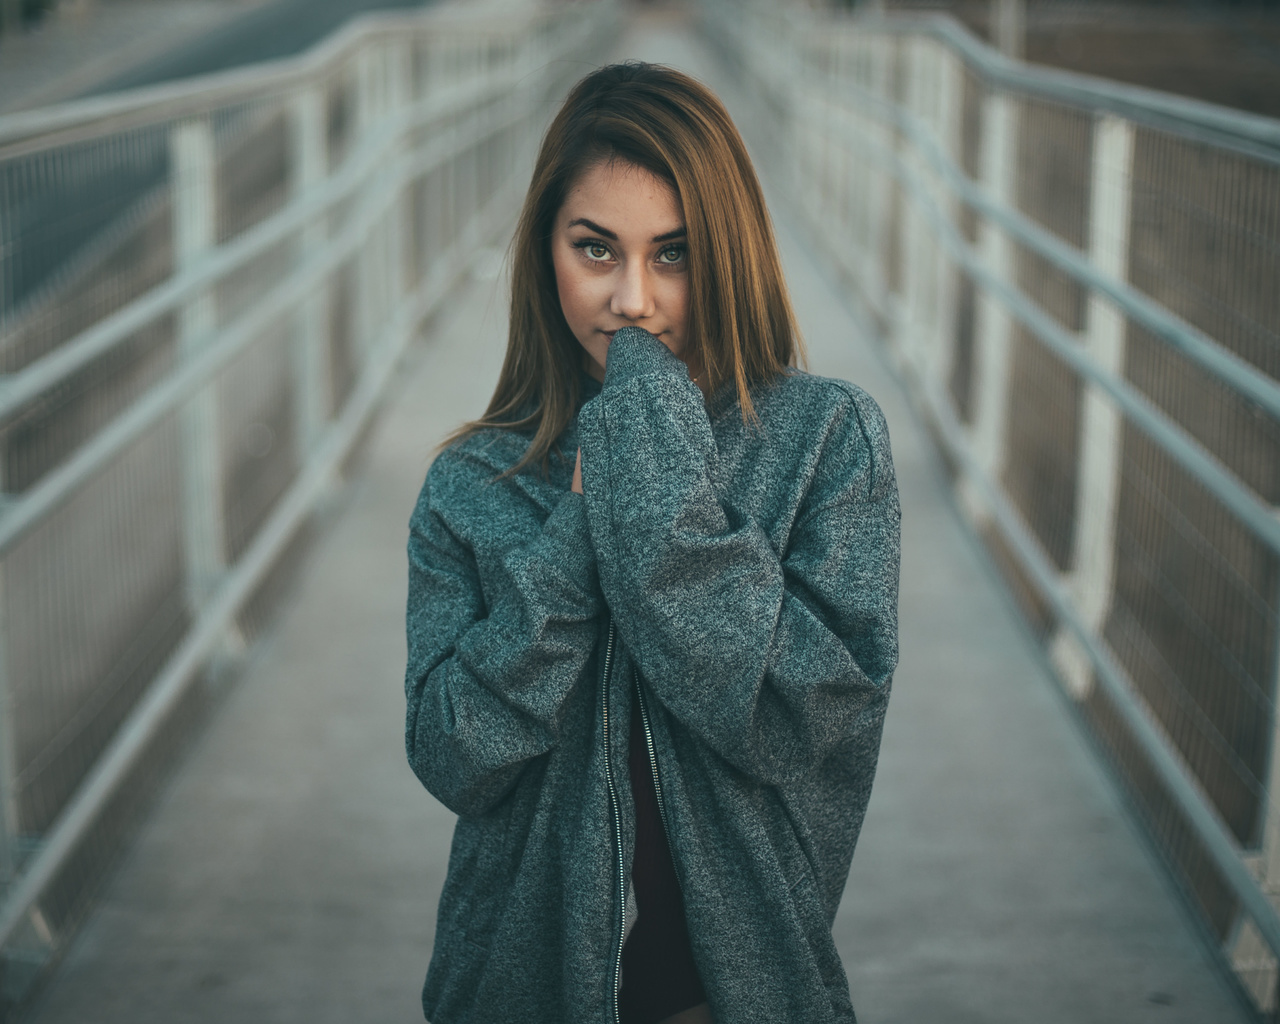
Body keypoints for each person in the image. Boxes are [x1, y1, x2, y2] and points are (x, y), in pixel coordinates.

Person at [404, 61, 900, 1024]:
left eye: (673, 254)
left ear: (732, 252)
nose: (632, 298)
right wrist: (570, 546)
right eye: (596, 250)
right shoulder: (470, 485)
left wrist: (655, 499)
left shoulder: (825, 444)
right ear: (544, 251)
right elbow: (453, 754)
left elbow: (806, 724)